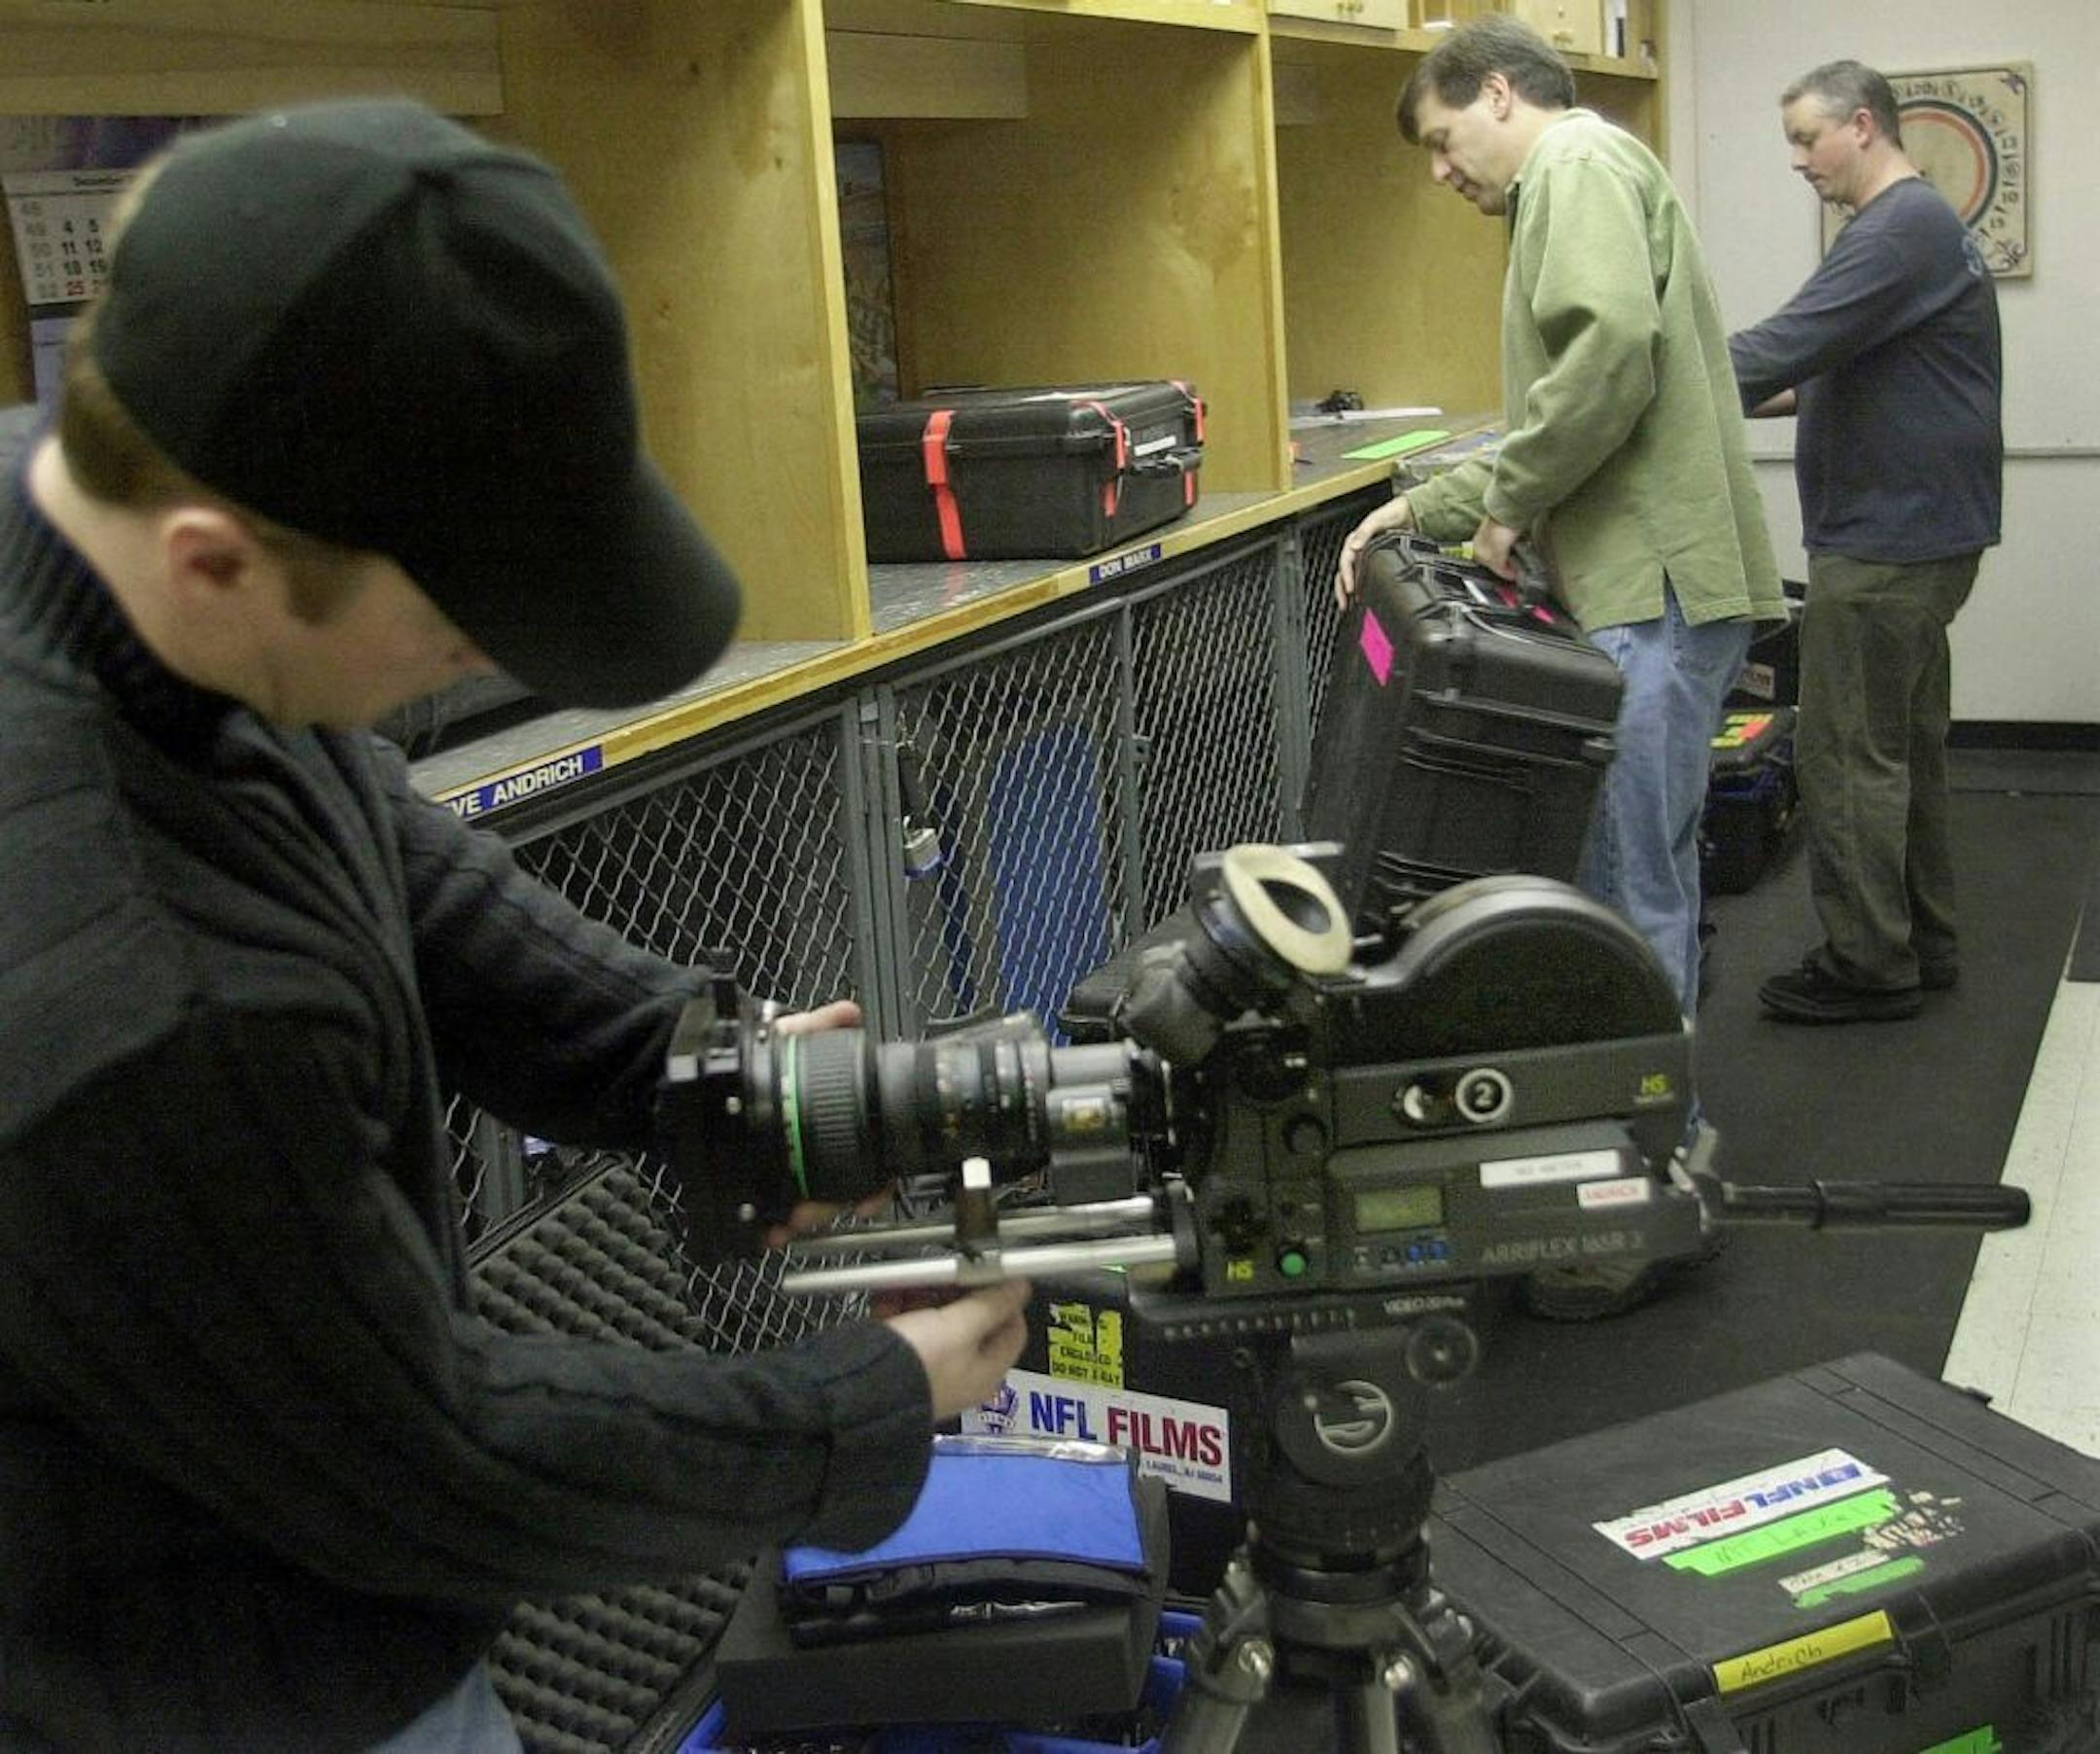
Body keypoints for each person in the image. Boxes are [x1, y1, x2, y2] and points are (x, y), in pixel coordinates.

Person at [0, 100, 1032, 1751]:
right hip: (223, 1696)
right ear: (213, 564)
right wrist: (866, 1406)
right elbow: (422, 1460)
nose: (486, 657)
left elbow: (369, 833)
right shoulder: (136, 996)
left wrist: (701, 1069)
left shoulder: (93, 521)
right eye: (453, 628)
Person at [1335, 16, 1786, 1024]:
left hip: (1647, 595)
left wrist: (1507, 509)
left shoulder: (1574, 164)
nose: (1440, 173)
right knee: (1643, 877)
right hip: (1656, 592)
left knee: (1624, 895)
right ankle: (1650, 1102)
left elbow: (1607, 362)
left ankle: (1645, 1112)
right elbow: (1567, 405)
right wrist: (1425, 506)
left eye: (1443, 140)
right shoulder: (1589, 171)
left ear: (1498, 93)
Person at [1729, 60, 2003, 1024]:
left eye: (1807, 138)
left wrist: (1648, 383)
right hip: (1922, 538)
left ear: (1863, 127)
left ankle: (1867, 964)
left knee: (1846, 760)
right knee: (1903, 753)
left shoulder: (1895, 230)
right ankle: (1921, 941)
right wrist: (1731, 402)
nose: (1798, 159)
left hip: (1886, 545)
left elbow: (1780, 345)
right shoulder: (1920, 229)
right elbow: (1827, 372)